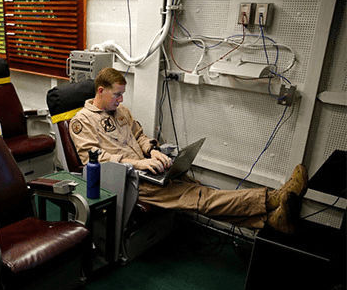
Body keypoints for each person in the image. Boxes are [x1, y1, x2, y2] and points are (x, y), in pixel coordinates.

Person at [69, 67, 308, 234]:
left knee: (199, 192)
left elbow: (139, 135)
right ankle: (271, 198)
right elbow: (94, 158)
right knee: (202, 198)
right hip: (128, 180)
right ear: (101, 91)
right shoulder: (82, 121)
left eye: (122, 94)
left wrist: (152, 151)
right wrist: (138, 163)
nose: (121, 100)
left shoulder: (121, 112)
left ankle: (270, 220)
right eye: (117, 95)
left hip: (146, 169)